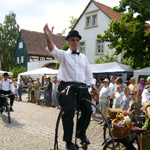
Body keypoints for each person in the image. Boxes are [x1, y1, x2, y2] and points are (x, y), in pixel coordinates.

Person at [43, 24, 94, 150]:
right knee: (69, 111)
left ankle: (80, 132)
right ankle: (68, 141)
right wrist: (49, 38)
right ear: (68, 42)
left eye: (77, 40)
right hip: (67, 86)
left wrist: (94, 86)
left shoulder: (84, 58)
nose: (75, 42)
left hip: (81, 86)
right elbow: (52, 49)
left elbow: (88, 75)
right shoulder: (64, 55)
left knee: (88, 110)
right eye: (72, 40)